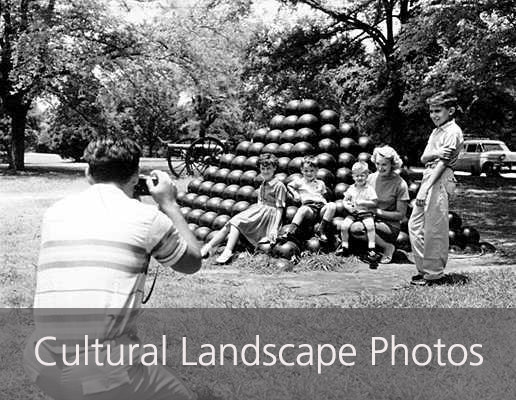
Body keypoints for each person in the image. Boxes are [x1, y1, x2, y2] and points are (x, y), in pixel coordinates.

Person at [23, 137, 201, 400]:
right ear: (134, 177)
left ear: (87, 172)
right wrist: (168, 204)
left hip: (40, 359)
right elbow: (192, 261)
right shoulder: (148, 219)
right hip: (98, 369)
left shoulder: (55, 212)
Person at [408, 91, 464, 286]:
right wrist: (436, 153)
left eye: (438, 111)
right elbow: (424, 158)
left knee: (435, 228)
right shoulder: (436, 131)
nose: (433, 115)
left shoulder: (453, 131)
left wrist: (425, 189)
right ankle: (424, 269)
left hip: (440, 178)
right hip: (428, 175)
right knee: (414, 226)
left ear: (451, 110)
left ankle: (434, 274)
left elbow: (442, 164)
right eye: (431, 111)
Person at [201, 153, 286, 264]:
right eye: (263, 168)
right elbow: (260, 202)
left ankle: (227, 251)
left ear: (274, 168)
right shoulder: (263, 184)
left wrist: (274, 228)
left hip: (269, 216)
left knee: (237, 221)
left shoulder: (279, 185)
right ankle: (208, 247)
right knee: (232, 222)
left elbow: (279, 208)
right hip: (260, 211)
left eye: (268, 168)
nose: (265, 171)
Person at [350, 145, 410, 264]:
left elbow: (400, 215)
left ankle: (387, 247)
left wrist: (377, 212)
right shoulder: (370, 178)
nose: (380, 168)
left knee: (357, 229)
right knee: (350, 227)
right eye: (378, 164)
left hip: (389, 225)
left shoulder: (400, 184)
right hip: (368, 218)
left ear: (392, 164)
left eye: (384, 165)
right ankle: (373, 249)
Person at [279, 156, 337, 243]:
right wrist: (295, 194)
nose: (309, 173)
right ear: (302, 170)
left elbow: (324, 194)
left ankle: (321, 230)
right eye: (306, 171)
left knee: (332, 205)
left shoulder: (321, 183)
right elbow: (289, 185)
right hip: (310, 209)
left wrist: (325, 204)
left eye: (312, 171)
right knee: (303, 209)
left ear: (317, 170)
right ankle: (290, 231)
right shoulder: (300, 181)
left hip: (321, 207)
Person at [336, 161, 380, 267]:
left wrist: (364, 202)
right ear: (353, 176)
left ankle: (371, 248)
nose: (360, 178)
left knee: (370, 226)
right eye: (357, 176)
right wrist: (348, 207)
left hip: (366, 213)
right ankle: (345, 246)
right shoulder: (351, 188)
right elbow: (345, 200)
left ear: (367, 176)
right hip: (354, 213)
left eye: (362, 175)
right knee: (344, 226)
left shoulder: (369, 189)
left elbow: (374, 202)